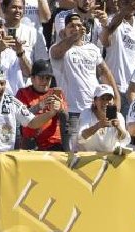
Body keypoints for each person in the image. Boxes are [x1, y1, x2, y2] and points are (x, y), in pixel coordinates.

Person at [50, 12, 119, 150]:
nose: (75, 28)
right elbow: (57, 53)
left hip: (95, 109)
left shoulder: (93, 48)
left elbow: (105, 72)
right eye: (71, 26)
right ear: (64, 30)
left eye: (78, 25)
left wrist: (116, 96)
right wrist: (74, 36)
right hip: (72, 111)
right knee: (72, 151)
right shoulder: (57, 48)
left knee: (97, 147)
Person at [0, 66, 59, 153]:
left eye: (2, 84)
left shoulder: (11, 101)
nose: (0, 88)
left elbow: (32, 122)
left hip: (5, 159)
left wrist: (52, 113)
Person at [15, 59, 67, 150]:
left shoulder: (56, 93)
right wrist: (39, 106)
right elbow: (20, 117)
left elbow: (66, 117)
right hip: (31, 144)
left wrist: (60, 109)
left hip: (54, 143)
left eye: (48, 78)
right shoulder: (23, 93)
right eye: (41, 77)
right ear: (32, 78)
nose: (45, 81)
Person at [100, 0, 135, 113]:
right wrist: (124, 11)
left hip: (131, 88)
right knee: (111, 121)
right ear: (119, 3)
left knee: (129, 122)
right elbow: (107, 38)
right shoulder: (110, 20)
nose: (130, 5)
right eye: (126, 2)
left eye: (131, 2)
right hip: (113, 85)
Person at [78, 83, 132, 154]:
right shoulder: (87, 113)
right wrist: (98, 126)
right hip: (88, 156)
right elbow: (81, 138)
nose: (106, 102)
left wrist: (119, 128)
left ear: (113, 101)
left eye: (109, 99)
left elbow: (125, 140)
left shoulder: (118, 116)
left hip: (109, 157)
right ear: (95, 101)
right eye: (102, 99)